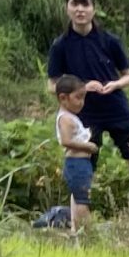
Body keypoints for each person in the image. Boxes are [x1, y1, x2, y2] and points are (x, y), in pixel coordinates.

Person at [44, 0, 129, 228]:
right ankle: (78, 228)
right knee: (81, 171)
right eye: (75, 5)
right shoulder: (61, 45)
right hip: (83, 115)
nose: (80, 10)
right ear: (67, 8)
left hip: (116, 108)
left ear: (94, 9)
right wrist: (83, 88)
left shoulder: (109, 40)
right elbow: (52, 84)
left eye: (85, 5)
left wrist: (114, 84)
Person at [52, 75, 98, 230]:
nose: (81, 103)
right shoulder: (65, 118)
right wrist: (87, 147)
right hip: (76, 163)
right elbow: (66, 141)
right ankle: (88, 230)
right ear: (63, 98)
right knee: (82, 200)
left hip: (82, 163)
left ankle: (78, 229)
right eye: (78, 98)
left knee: (81, 197)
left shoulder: (72, 117)